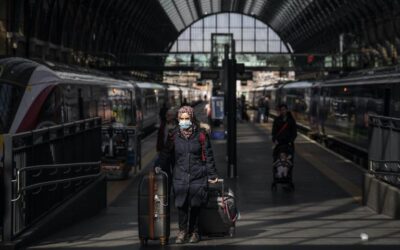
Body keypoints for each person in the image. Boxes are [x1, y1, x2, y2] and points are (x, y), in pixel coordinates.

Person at [158, 106, 218, 244]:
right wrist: (158, 167)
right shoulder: (174, 135)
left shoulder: (201, 135)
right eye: (182, 119)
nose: (184, 121)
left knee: (196, 204)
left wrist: (212, 175)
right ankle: (182, 231)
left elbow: (209, 156)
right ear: (178, 119)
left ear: (192, 119)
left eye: (187, 118)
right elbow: (165, 153)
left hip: (198, 175)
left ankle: (194, 231)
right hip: (180, 175)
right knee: (182, 205)